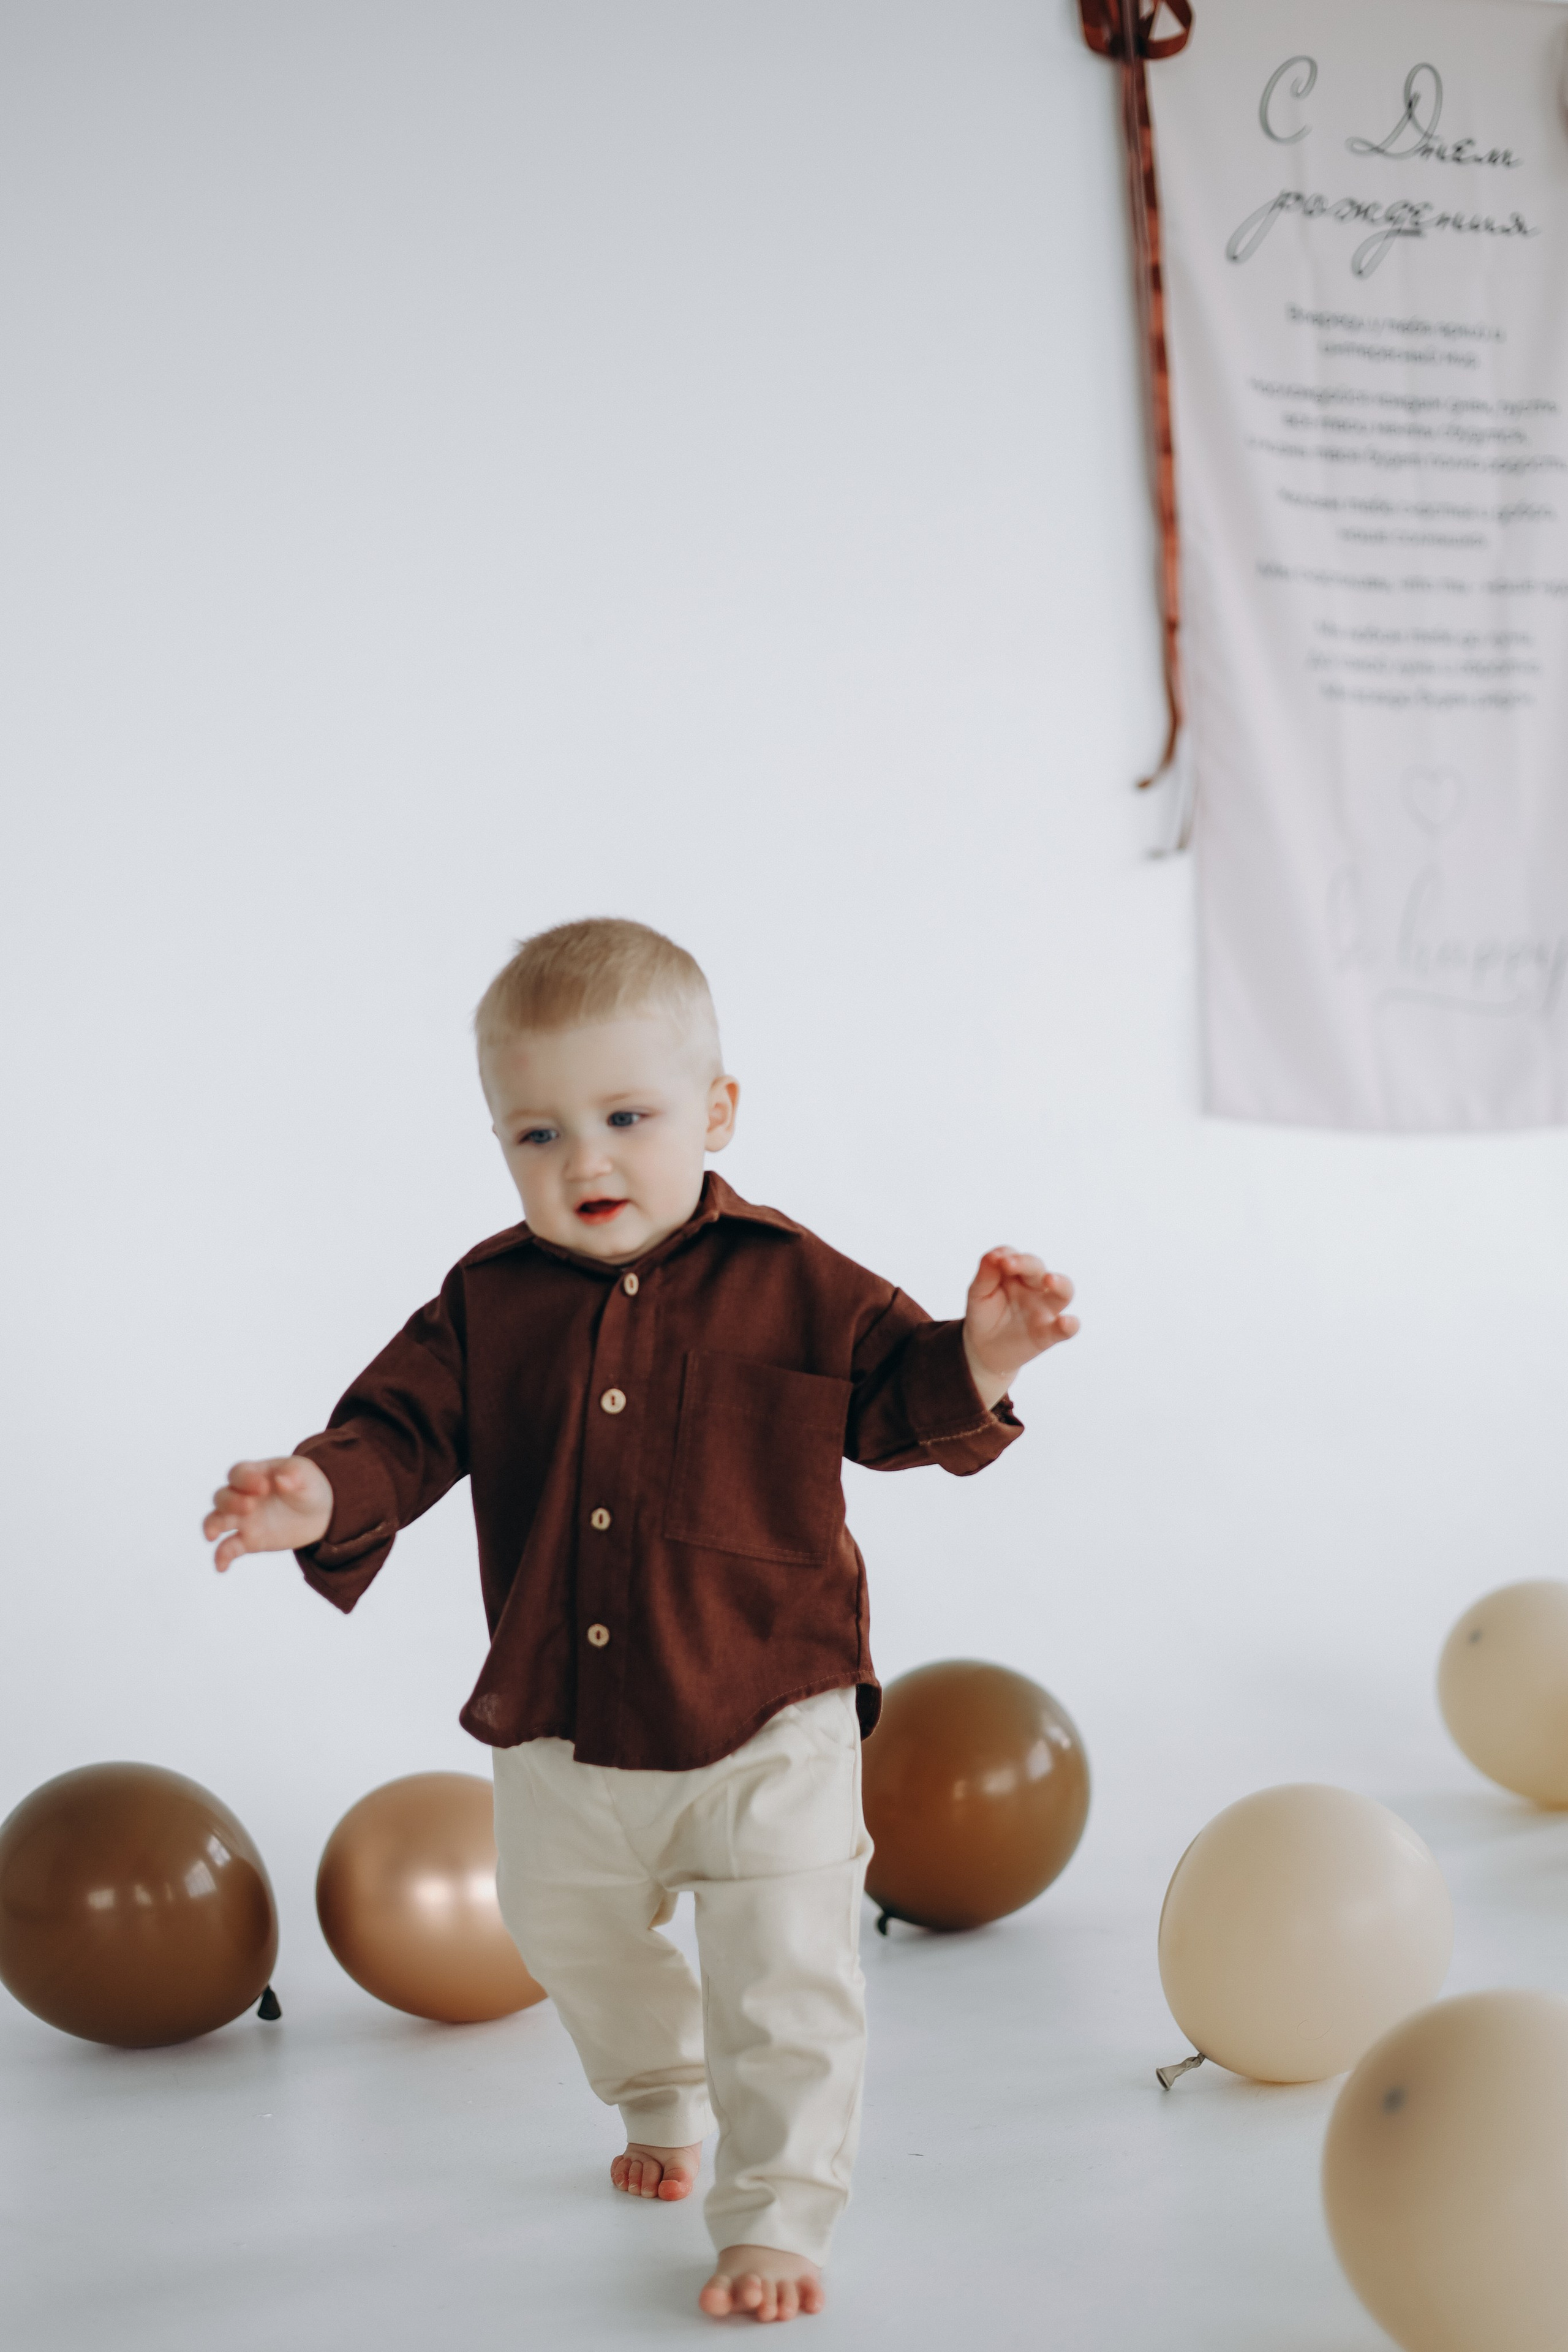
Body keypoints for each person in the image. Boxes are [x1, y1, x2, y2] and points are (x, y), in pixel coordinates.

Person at [203, 916, 1079, 2324]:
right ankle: (658, 2088)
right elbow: (396, 1429)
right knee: (562, 1934)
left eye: (626, 1117)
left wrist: (982, 1353)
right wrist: (316, 1493)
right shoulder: (488, 1301)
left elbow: (892, 1393)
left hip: (768, 1712)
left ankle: (778, 2221)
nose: (584, 1161)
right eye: (535, 1135)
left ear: (716, 1112)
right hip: (567, 1716)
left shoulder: (793, 1276)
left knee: (786, 1980)